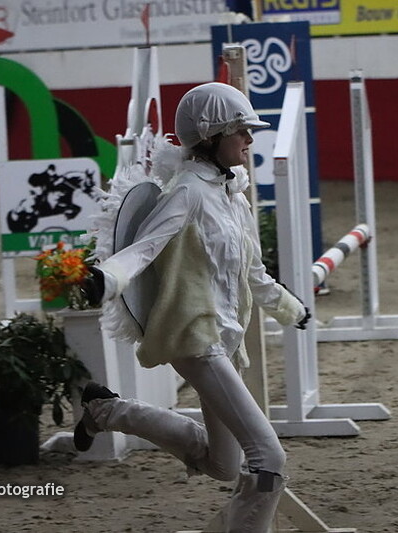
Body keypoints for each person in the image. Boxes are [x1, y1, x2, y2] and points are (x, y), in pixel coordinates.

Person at [75, 82, 310, 531]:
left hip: (226, 338)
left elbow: (255, 274)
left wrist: (291, 309)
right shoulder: (186, 192)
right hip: (194, 336)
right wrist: (107, 279)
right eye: (241, 130)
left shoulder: (234, 198)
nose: (249, 139)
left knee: (223, 464)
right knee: (269, 458)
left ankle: (106, 411)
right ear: (210, 135)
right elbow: (145, 248)